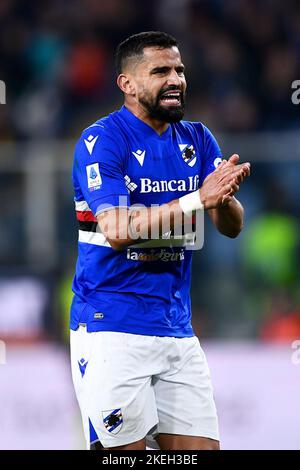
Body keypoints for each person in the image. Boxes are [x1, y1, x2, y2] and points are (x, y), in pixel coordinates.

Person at [70, 31, 250, 451]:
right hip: (112, 326)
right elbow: (116, 230)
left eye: (180, 70)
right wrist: (197, 199)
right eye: (161, 71)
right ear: (127, 84)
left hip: (176, 328)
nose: (176, 79)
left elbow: (232, 225)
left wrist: (221, 199)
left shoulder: (198, 138)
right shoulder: (102, 141)